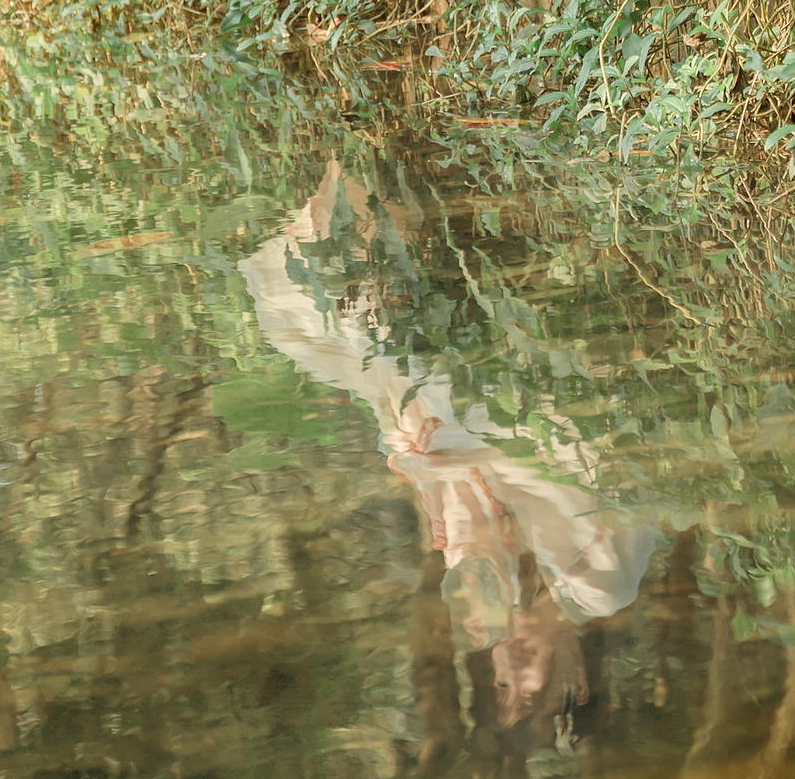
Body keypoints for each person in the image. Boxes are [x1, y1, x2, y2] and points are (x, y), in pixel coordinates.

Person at [238, 162, 657, 756]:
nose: (512, 667)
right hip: (540, 421)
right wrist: (457, 459)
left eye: (502, 685)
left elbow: (460, 515)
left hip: (480, 434)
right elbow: (606, 478)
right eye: (532, 693)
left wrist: (444, 495)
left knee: (321, 329)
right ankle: (367, 167)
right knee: (388, 347)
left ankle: (360, 163)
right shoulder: (602, 587)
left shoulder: (506, 589)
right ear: (579, 683)